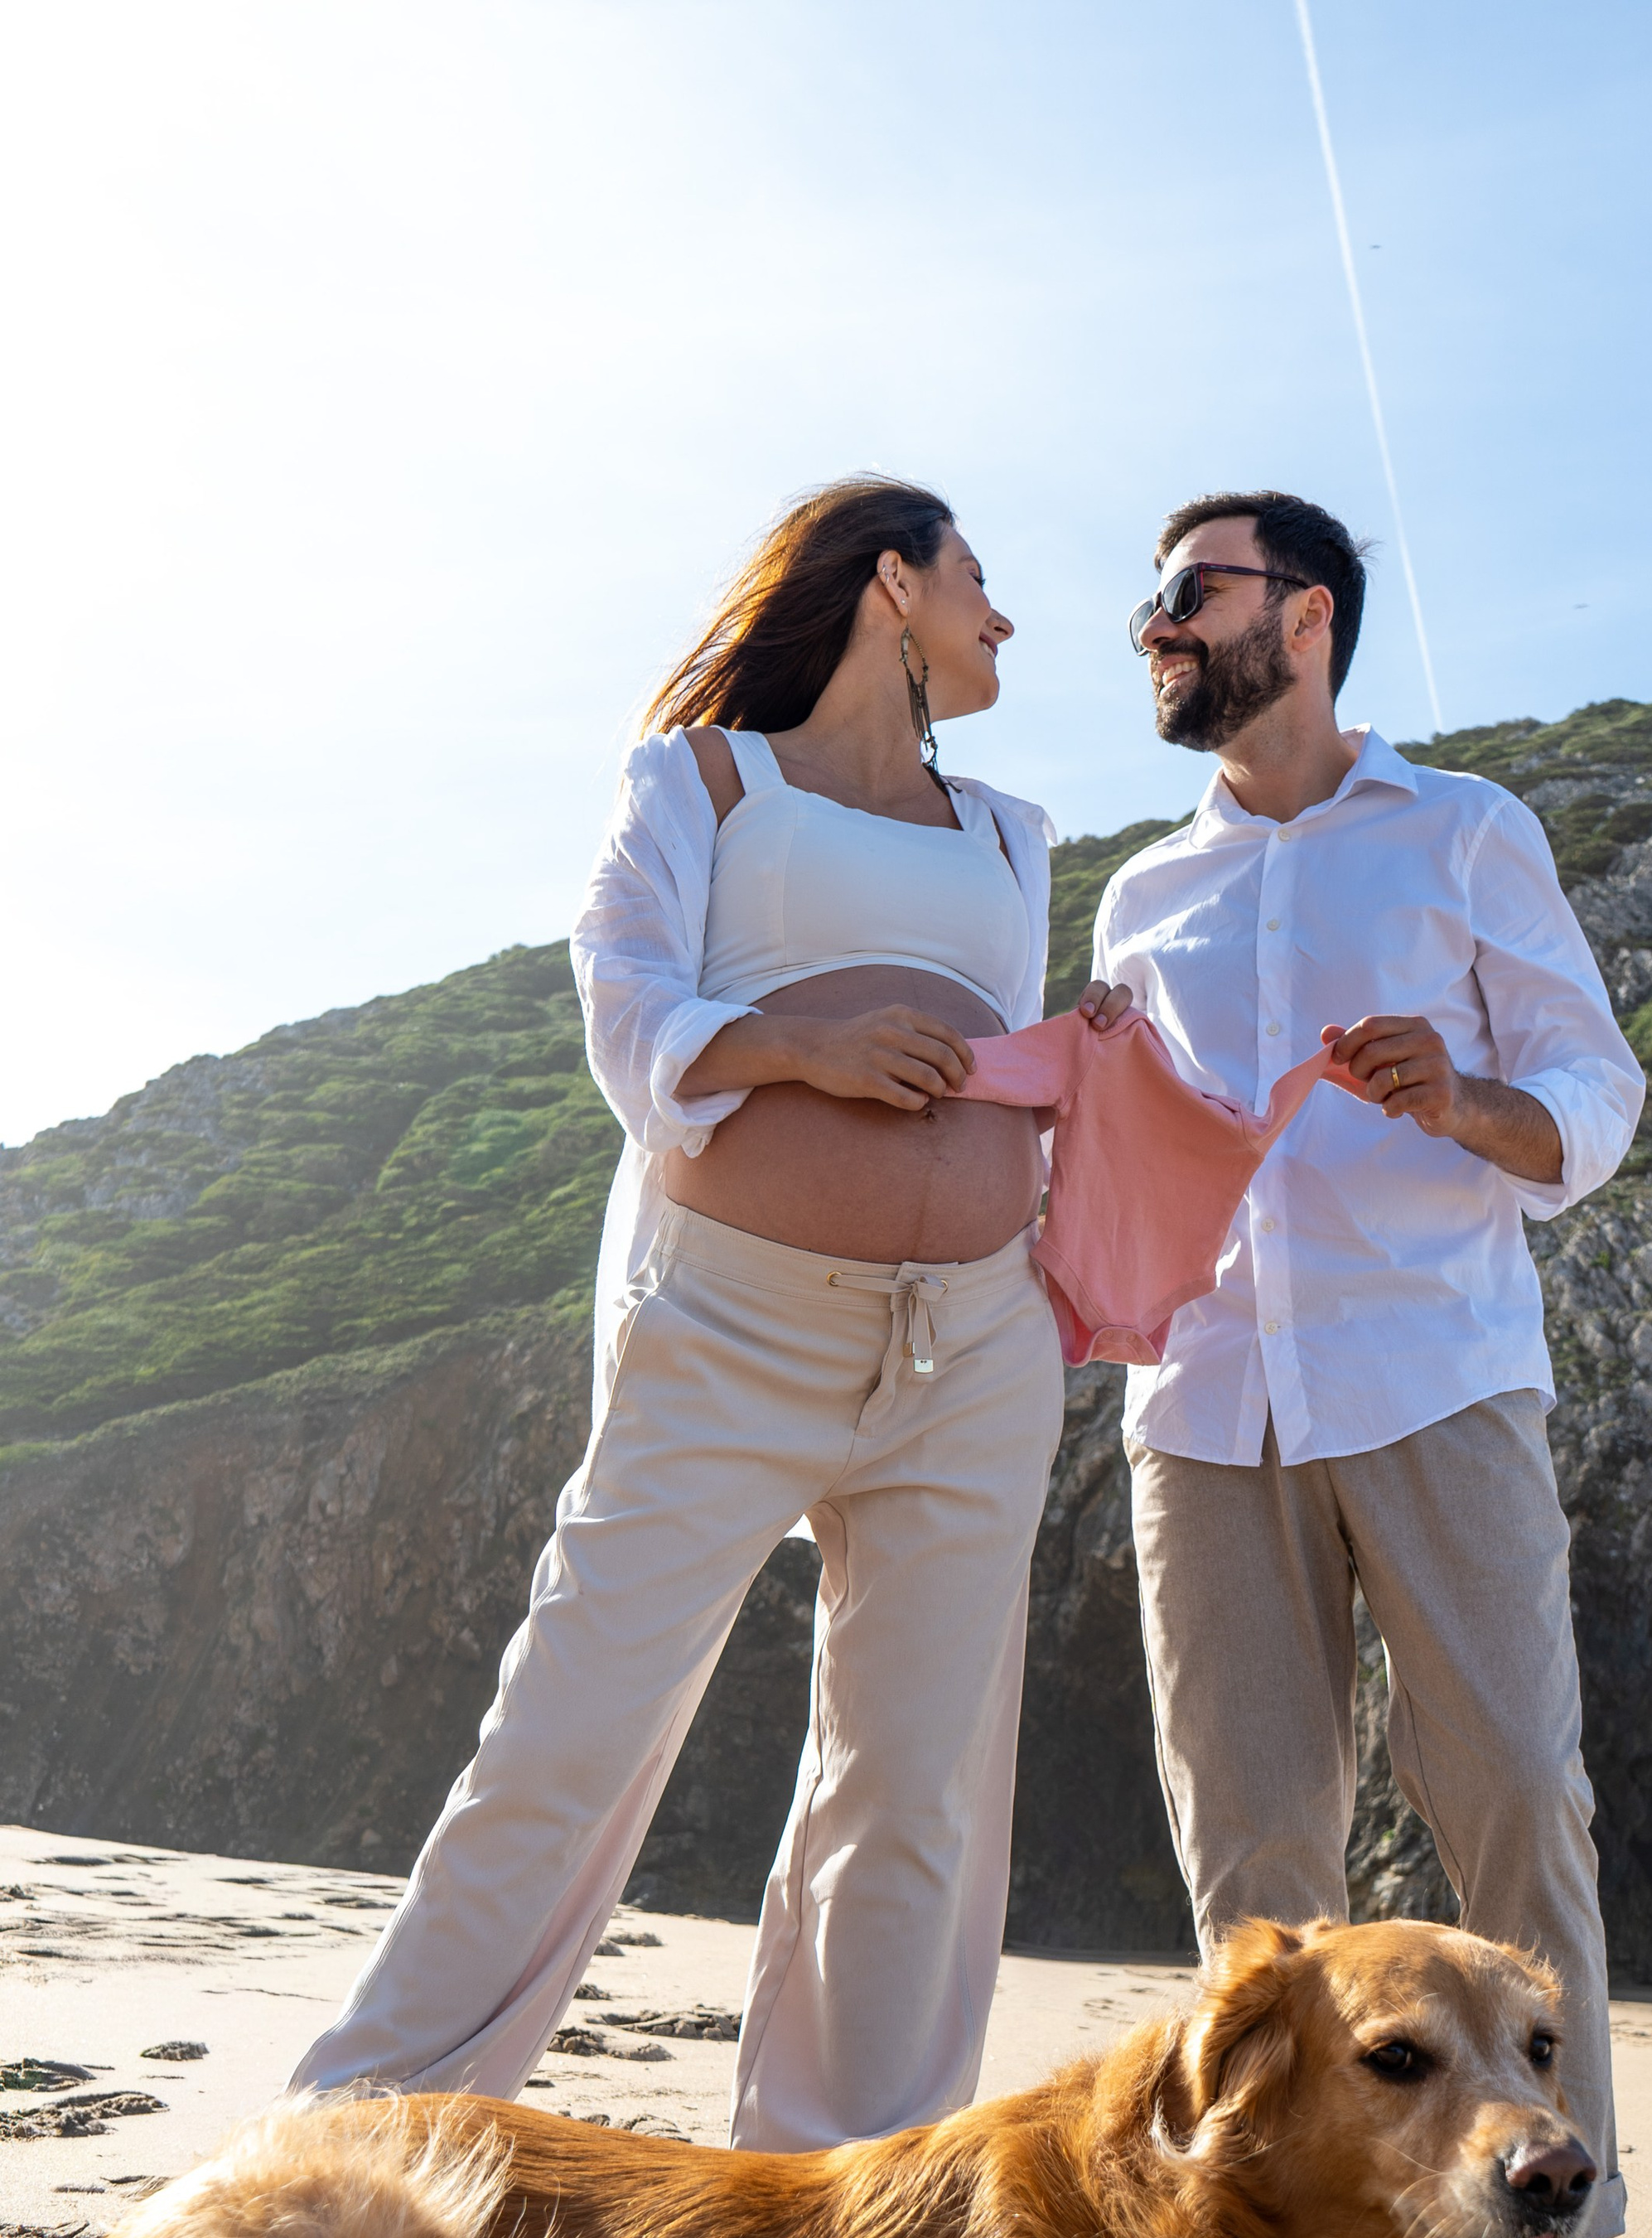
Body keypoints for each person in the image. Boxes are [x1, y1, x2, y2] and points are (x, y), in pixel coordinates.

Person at [292, 475, 1129, 2153]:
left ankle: (842, 2210)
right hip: (729, 1323)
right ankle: (343, 2156)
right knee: (569, 1735)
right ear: (889, 580)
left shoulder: (1014, 833)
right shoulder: (700, 777)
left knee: (910, 1795)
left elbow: (982, 1048)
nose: (1006, 617)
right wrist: (799, 1050)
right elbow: (623, 990)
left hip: (973, 1342)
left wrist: (1080, 1062)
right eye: (978, 578)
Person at [1094, 490, 1652, 2238]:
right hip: (1201, 1408)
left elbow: (1597, 1094)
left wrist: (1467, 1101)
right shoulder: (1137, 896)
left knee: (1517, 1801)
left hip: (1435, 1376)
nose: (1156, 627)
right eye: (1153, 601)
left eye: (1189, 594)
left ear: (1309, 614)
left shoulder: (1464, 832)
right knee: (1254, 1863)